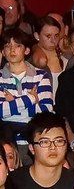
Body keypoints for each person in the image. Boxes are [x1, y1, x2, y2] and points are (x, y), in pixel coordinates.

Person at [1, 28, 54, 160]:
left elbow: (46, 112)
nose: (12, 50)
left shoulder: (41, 76)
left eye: (17, 46)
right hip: (8, 143)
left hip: (35, 141)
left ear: (26, 50)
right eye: (7, 46)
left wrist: (13, 102)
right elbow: (1, 111)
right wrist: (30, 99)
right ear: (3, 52)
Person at [31, 16, 66, 93]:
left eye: (56, 35)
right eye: (48, 36)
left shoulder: (65, 59)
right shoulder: (32, 61)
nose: (53, 40)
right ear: (37, 36)